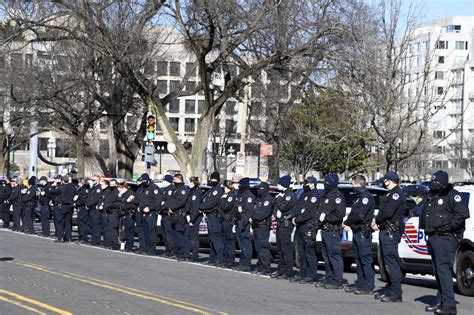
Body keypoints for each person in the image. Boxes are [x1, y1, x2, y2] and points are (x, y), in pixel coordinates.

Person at [420, 170, 469, 315]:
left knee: (443, 271)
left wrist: (448, 227)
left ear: (442, 183)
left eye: (435, 181)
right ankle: (441, 301)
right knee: (437, 271)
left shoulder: (453, 195)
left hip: (446, 238)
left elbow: (462, 214)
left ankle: (449, 305)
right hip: (434, 237)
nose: (433, 184)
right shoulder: (433, 196)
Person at [372, 171, 406, 302]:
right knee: (386, 262)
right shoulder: (390, 193)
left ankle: (395, 292)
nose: (384, 183)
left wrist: (376, 220)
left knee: (391, 262)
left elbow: (387, 212)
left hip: (391, 231)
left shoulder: (396, 194)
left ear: (389, 180)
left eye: (385, 180)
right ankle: (390, 287)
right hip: (385, 230)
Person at [342, 174, 375, 294]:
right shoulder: (358, 197)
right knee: (358, 259)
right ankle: (360, 282)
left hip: (363, 232)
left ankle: (368, 285)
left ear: (358, 184)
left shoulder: (366, 197)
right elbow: (352, 213)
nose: (352, 187)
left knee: (365, 259)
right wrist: (347, 223)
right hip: (356, 231)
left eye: (353, 184)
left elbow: (359, 215)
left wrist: (347, 222)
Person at [316, 173, 346, 289]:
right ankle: (329, 277)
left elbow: (340, 214)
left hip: (332, 230)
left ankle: (337, 280)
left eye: (326, 183)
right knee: (326, 256)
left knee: (334, 256)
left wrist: (327, 218)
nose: (324, 185)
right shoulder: (325, 196)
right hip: (324, 230)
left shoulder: (337, 196)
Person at [291, 176, 321, 283]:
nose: (305, 185)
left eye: (307, 183)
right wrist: (294, 218)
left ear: (313, 184)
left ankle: (311, 275)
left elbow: (309, 212)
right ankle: (302, 273)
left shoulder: (315, 196)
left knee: (309, 251)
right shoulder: (304, 195)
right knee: (301, 252)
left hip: (308, 226)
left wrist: (298, 219)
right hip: (300, 225)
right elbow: (297, 208)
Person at [272, 175, 297, 280]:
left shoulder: (289, 195)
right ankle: (281, 269)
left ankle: (288, 270)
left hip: (286, 224)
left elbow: (283, 207)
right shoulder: (283, 195)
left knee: (286, 248)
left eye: (280, 184)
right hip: (280, 223)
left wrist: (279, 199)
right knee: (280, 248)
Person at [199, 171, 224, 265]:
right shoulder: (212, 189)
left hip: (214, 216)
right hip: (209, 216)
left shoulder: (217, 190)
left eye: (214, 179)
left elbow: (211, 203)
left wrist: (201, 207)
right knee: (211, 238)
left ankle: (219, 258)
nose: (212, 180)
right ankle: (213, 257)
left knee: (216, 237)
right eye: (211, 179)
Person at [250, 182, 274, 276]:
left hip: (262, 226)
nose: (257, 191)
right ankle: (260, 266)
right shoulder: (260, 199)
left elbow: (262, 214)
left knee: (263, 247)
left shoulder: (268, 200)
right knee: (258, 247)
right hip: (257, 226)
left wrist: (253, 217)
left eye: (259, 189)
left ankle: (266, 267)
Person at [136, 173, 162, 255]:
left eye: (145, 181)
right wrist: (139, 207)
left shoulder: (154, 188)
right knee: (144, 232)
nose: (143, 183)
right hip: (142, 213)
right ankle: (144, 248)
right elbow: (141, 200)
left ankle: (151, 250)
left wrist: (150, 208)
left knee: (151, 232)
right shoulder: (142, 188)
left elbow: (158, 202)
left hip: (151, 213)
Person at [167, 174, 190, 260]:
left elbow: (181, 202)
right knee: (176, 234)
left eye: (175, 180)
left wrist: (172, 208)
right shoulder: (175, 189)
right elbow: (171, 200)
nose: (174, 181)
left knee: (181, 235)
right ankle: (179, 252)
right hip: (174, 215)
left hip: (180, 215)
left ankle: (184, 254)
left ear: (179, 180)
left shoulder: (183, 190)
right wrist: (169, 208)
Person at [234, 177, 255, 272]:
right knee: (241, 243)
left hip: (244, 222)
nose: (239, 187)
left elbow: (249, 211)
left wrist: (244, 223)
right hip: (238, 221)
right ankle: (242, 263)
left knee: (246, 243)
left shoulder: (249, 196)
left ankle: (247, 264)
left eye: (240, 185)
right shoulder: (241, 195)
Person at [52, 176, 76, 243]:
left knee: (60, 222)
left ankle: (61, 237)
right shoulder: (72, 187)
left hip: (62, 206)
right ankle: (69, 238)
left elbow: (52, 192)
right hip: (70, 206)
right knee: (68, 222)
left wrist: (54, 185)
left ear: (62, 181)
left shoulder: (61, 187)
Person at [219, 180, 237, 268]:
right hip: (223, 219)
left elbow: (225, 207)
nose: (223, 189)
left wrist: (223, 199)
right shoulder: (226, 196)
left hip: (228, 220)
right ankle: (225, 259)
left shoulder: (231, 196)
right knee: (224, 240)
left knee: (229, 241)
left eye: (224, 187)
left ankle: (230, 259)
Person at [185, 176, 203, 262]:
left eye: (188, 182)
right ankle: (187, 254)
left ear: (192, 182)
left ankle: (194, 256)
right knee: (188, 237)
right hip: (190, 217)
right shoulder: (191, 192)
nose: (188, 184)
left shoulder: (196, 193)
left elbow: (195, 207)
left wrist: (192, 220)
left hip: (194, 218)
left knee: (194, 238)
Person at [116, 182, 137, 252]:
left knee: (129, 231)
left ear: (124, 187)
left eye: (119, 188)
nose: (118, 189)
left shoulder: (131, 193)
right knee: (125, 231)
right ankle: (126, 246)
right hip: (124, 214)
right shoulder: (123, 194)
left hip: (130, 213)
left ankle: (129, 246)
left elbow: (129, 203)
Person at [160, 174, 177, 257]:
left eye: (164, 181)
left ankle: (172, 250)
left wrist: (164, 204)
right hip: (163, 214)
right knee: (164, 234)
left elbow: (168, 202)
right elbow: (161, 200)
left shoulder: (172, 189)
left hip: (168, 214)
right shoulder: (164, 189)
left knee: (169, 233)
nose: (163, 182)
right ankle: (167, 250)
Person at [103, 179, 121, 250]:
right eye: (111, 185)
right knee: (108, 228)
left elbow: (119, 203)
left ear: (116, 185)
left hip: (114, 212)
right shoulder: (109, 191)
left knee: (113, 228)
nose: (112, 186)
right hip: (107, 212)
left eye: (113, 185)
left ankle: (115, 244)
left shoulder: (117, 192)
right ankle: (109, 243)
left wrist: (111, 205)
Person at [86, 175, 103, 246]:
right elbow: (89, 197)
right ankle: (93, 240)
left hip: (95, 209)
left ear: (98, 180)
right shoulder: (92, 187)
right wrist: (87, 204)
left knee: (96, 225)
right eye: (92, 180)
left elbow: (95, 199)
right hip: (90, 208)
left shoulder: (99, 188)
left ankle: (97, 241)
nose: (92, 181)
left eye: (94, 180)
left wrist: (88, 204)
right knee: (92, 225)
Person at [74, 179, 90, 243]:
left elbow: (83, 200)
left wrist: (77, 203)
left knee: (82, 223)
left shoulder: (83, 190)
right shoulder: (81, 190)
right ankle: (81, 237)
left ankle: (83, 238)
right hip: (80, 207)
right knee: (80, 223)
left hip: (82, 208)